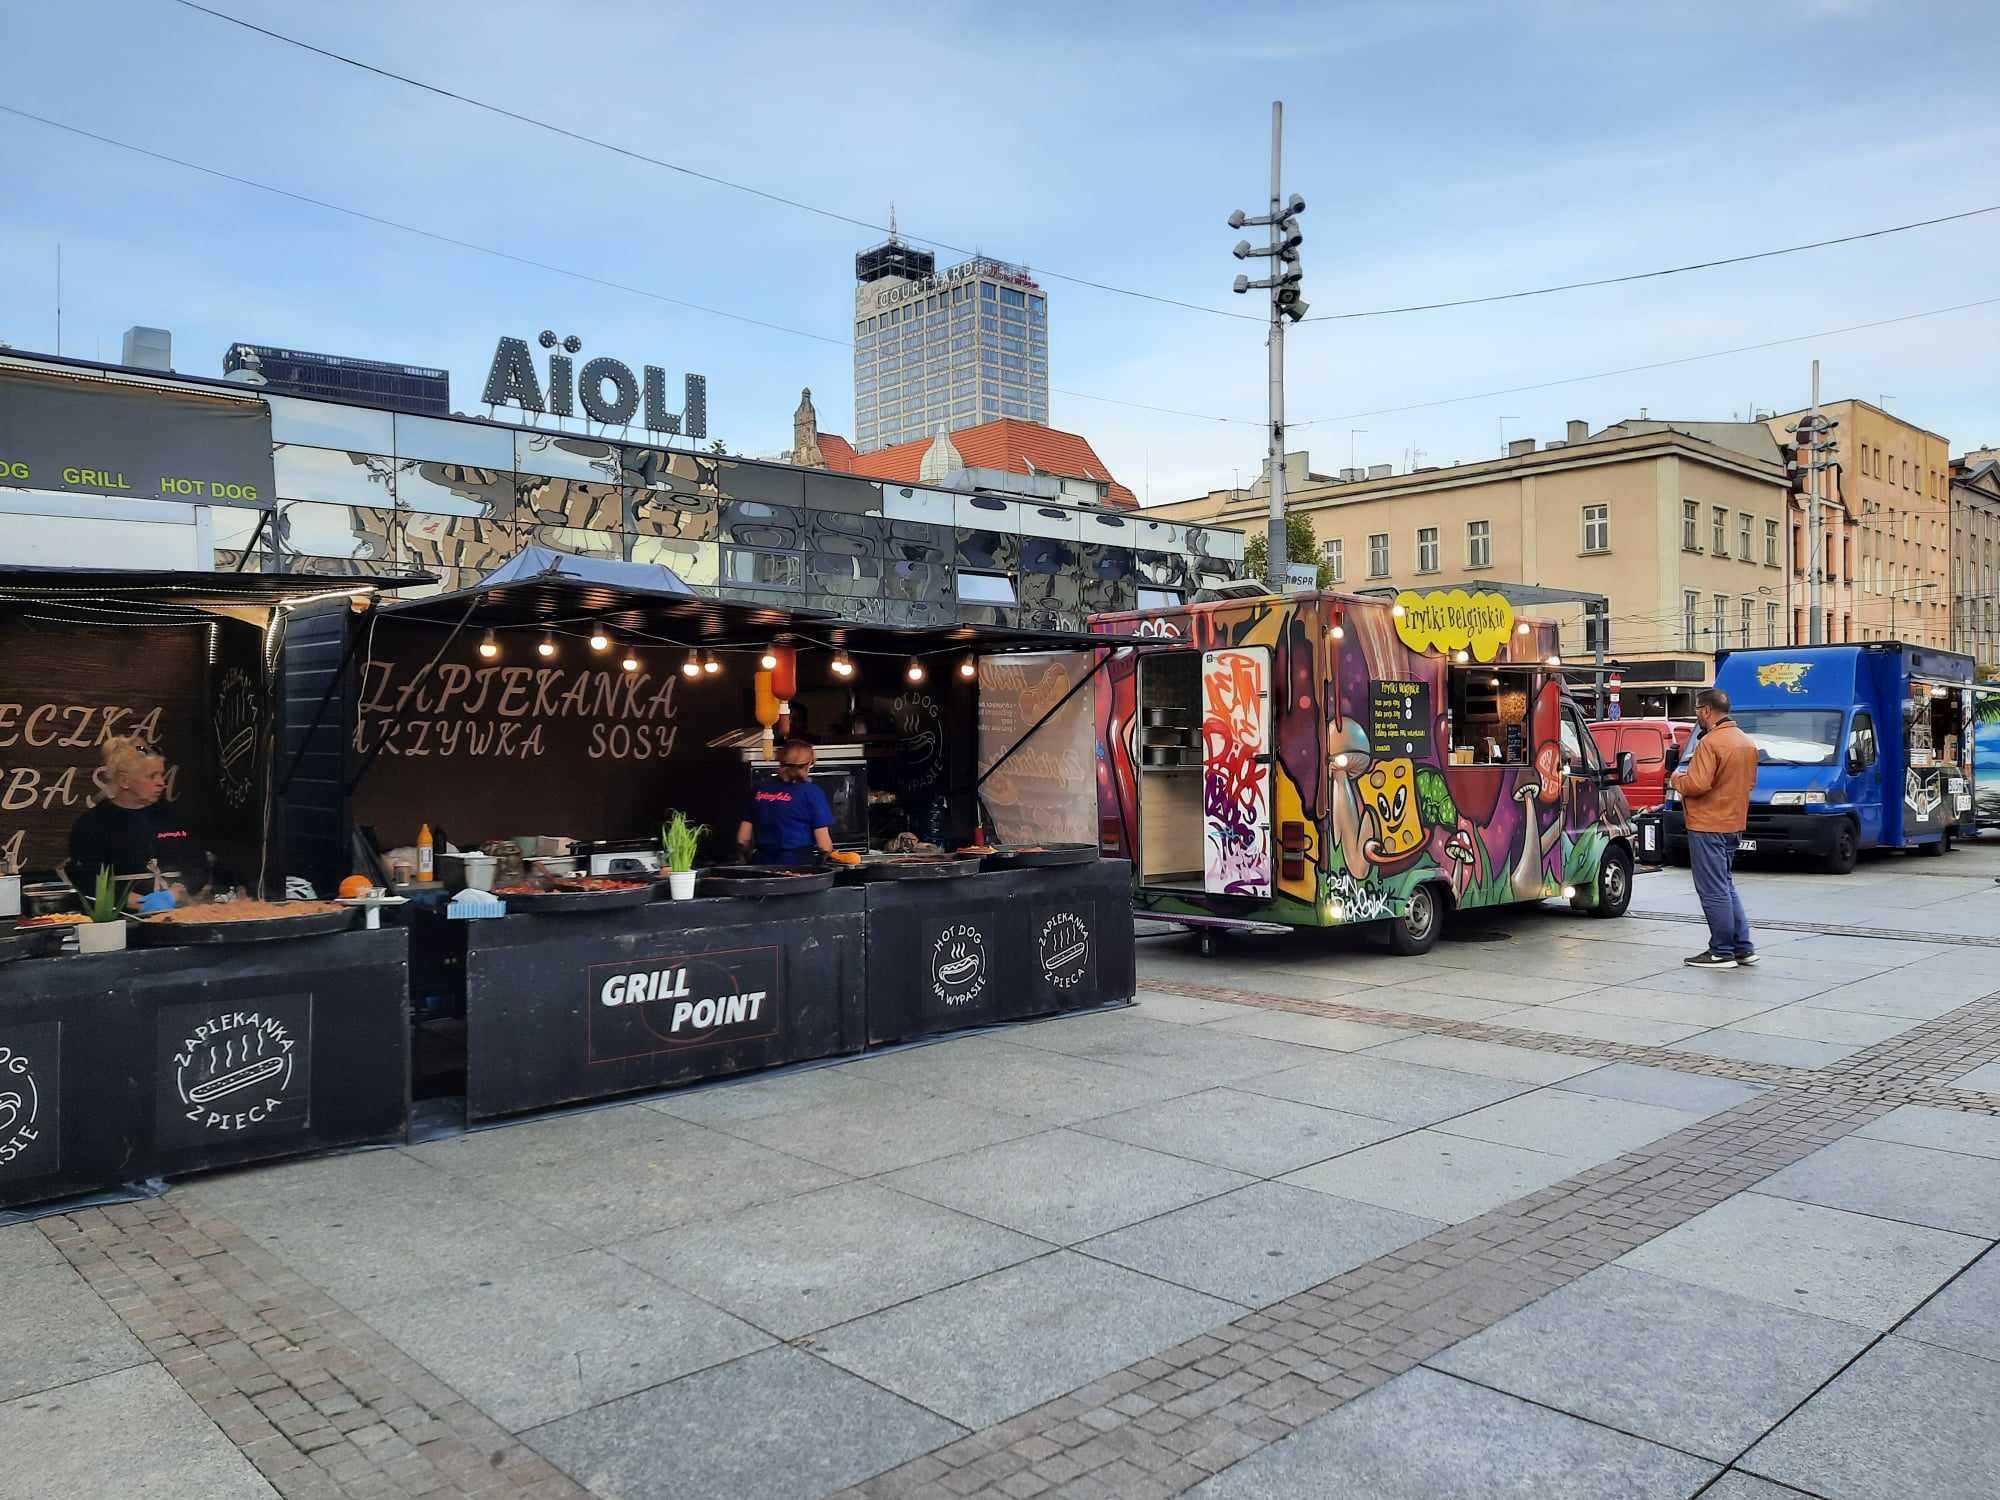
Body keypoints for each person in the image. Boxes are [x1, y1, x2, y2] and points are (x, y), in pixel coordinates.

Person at [1670, 687, 1759, 968]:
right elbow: (1749, 784)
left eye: (1697, 709)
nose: (1696, 715)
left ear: (1706, 711)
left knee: (1712, 889)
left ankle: (1721, 950)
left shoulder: (1710, 743)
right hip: (1733, 822)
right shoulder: (1745, 742)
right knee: (1726, 885)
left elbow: (1698, 784)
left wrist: (1677, 780)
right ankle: (1742, 947)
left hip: (1708, 823)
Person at [68, 735, 211, 907]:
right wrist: (140, 903)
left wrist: (175, 893)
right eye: (152, 776)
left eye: (161, 775)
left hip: (180, 913)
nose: (161, 783)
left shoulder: (176, 818)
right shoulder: (91, 826)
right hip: (122, 921)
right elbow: (89, 881)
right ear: (124, 781)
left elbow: (198, 868)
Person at [736, 737, 836, 865]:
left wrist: (748, 862)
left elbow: (742, 839)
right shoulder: (812, 792)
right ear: (808, 765)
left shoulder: (759, 789)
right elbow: (824, 846)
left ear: (780, 761)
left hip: (762, 864)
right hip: (799, 866)